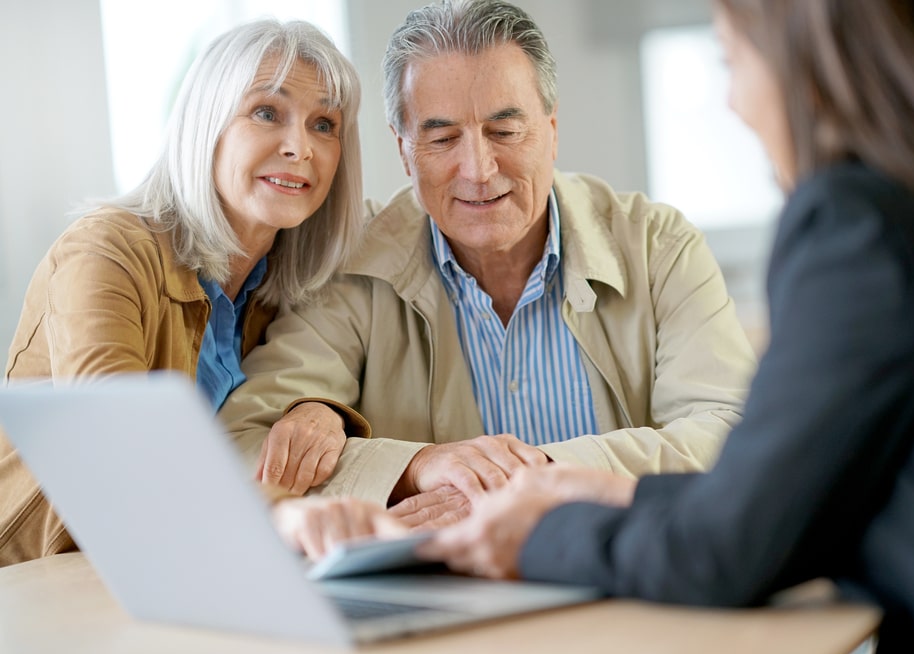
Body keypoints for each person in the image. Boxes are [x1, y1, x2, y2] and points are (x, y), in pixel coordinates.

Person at [413, 0, 914, 654]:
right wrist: (627, 489)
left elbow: (725, 551)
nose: (733, 103)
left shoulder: (859, 229)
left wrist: (540, 532)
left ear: (813, 67)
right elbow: (793, 496)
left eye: (733, 61)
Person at [219, 0, 757, 511]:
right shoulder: (349, 263)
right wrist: (417, 468)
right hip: (442, 596)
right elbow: (244, 445)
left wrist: (534, 476)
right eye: (443, 138)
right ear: (404, 150)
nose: (478, 169)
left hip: (625, 577)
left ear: (551, 130)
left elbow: (732, 429)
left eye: (505, 130)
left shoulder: (658, 246)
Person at [0, 19, 368, 567]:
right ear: (206, 124)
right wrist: (284, 516)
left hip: (184, 566)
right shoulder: (106, 249)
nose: (300, 148)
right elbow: (118, 446)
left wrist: (321, 410)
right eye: (267, 112)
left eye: (324, 124)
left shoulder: (282, 284)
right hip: (43, 576)